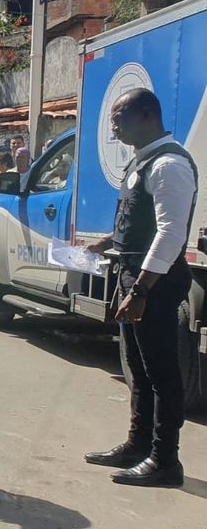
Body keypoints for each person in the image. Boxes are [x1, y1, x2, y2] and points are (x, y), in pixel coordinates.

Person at [84, 89, 198, 488]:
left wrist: (142, 291)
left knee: (162, 372)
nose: (112, 126)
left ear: (148, 115)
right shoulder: (144, 160)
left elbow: (170, 234)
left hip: (156, 283)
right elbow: (143, 223)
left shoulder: (169, 165)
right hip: (132, 275)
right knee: (137, 368)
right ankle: (138, 444)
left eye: (119, 117)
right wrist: (109, 242)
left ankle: (166, 460)